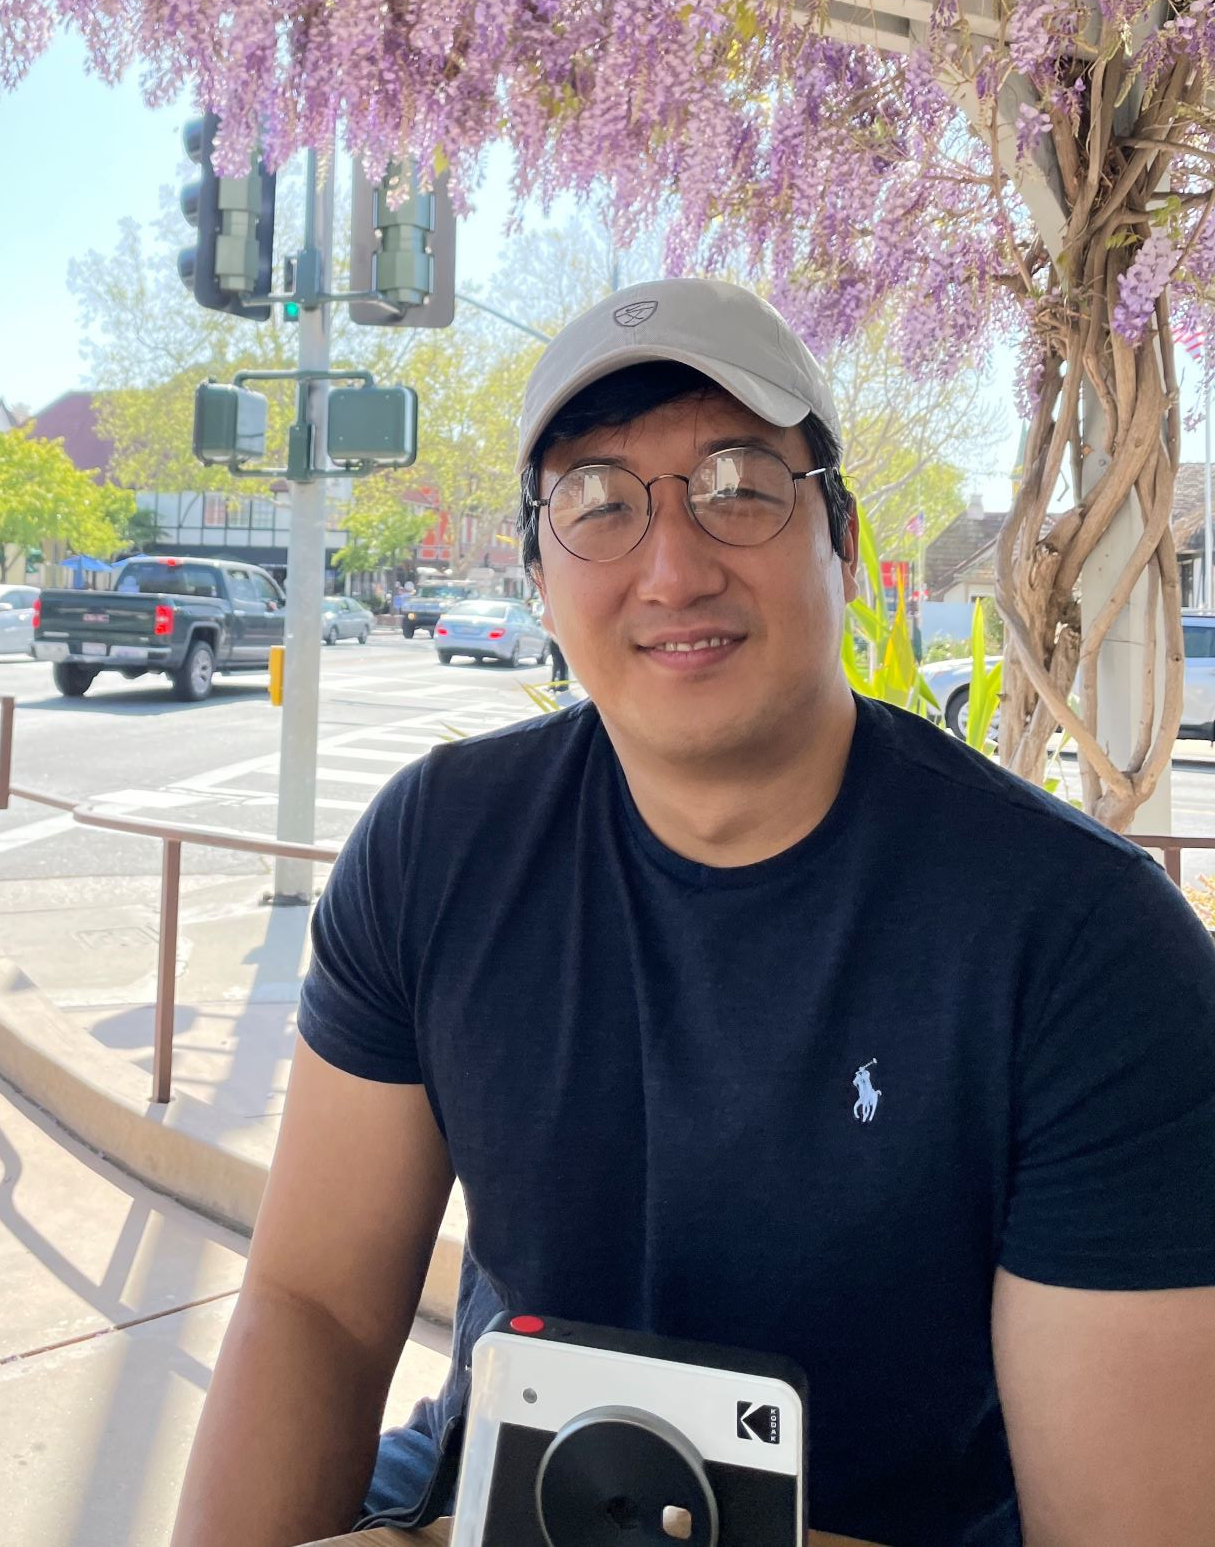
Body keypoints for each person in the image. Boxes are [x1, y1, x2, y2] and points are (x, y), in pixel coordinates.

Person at [170, 279, 1215, 1547]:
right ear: (540, 580)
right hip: (485, 1504)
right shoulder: (437, 848)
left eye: (738, 483)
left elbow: (1122, 1526)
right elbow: (314, 1307)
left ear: (837, 538)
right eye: (598, 503)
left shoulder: (1086, 947)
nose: (672, 568)